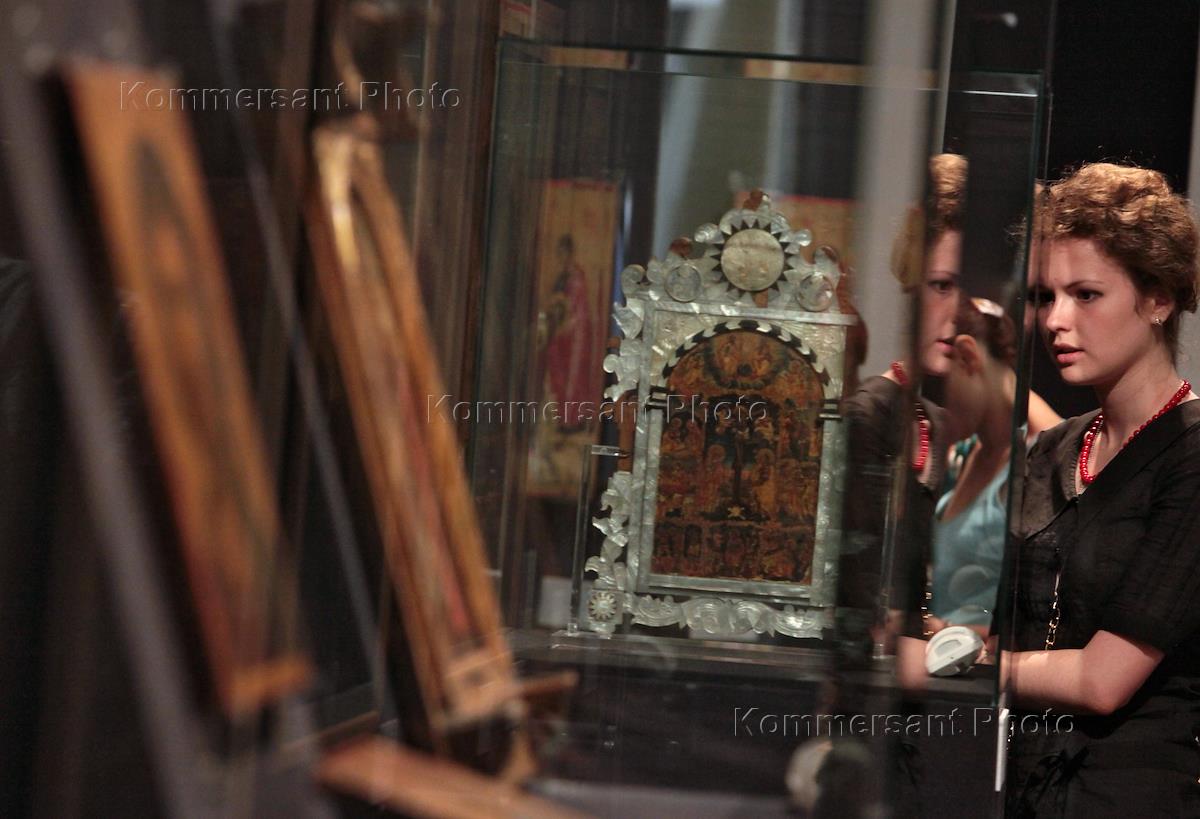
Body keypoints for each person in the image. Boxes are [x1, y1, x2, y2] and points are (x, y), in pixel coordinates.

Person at [1005, 163, 1200, 816]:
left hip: (1129, 796)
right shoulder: (1054, 448)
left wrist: (965, 667)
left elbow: (1102, 681)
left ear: (1158, 299)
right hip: (1018, 785)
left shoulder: (1191, 455)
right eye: (1046, 295)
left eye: (1086, 295)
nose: (1056, 320)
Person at [926, 298, 1061, 635]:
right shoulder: (965, 454)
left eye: (944, 385)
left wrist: (1004, 381)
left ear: (968, 357)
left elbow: (1059, 442)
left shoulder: (1036, 456)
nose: (942, 405)